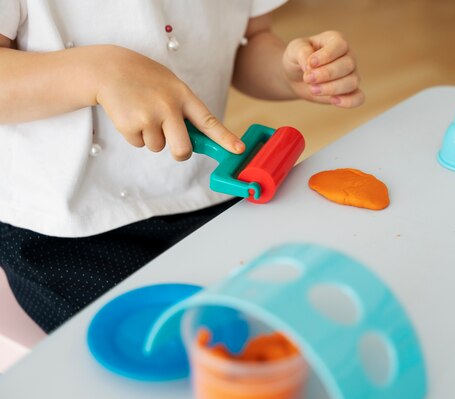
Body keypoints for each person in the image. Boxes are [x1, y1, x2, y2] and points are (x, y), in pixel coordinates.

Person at [0, 0, 364, 333]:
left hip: (201, 192)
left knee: (280, 314)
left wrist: (288, 73)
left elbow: (251, 38)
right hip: (63, 228)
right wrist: (100, 71)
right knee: (169, 344)